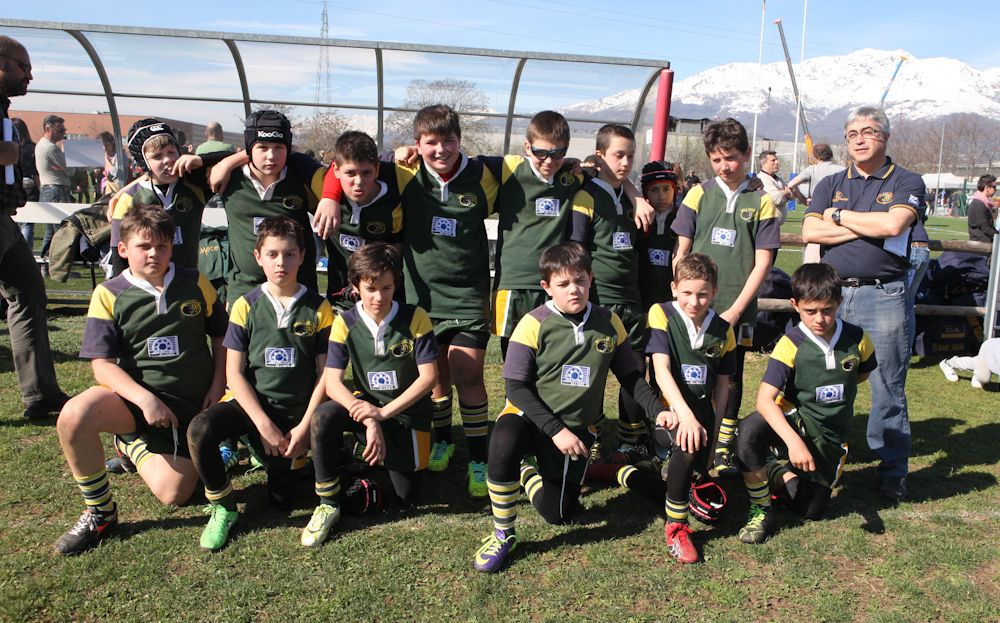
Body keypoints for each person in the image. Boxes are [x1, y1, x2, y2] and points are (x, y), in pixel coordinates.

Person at [323, 105, 499, 497]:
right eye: (431, 142)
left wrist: (577, 166)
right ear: (417, 144)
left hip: (468, 294)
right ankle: (442, 440)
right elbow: (347, 165)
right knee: (437, 376)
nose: (441, 149)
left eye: (448, 141)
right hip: (422, 296)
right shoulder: (405, 172)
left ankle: (479, 459)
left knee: (467, 373)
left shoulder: (484, 174)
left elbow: (531, 172)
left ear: (460, 141)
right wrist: (331, 196)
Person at [473, 242, 668, 573]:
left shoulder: (610, 323)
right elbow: (515, 388)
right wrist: (555, 431)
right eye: (563, 283)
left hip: (577, 430)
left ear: (591, 279)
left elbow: (631, 378)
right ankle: (504, 533)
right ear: (546, 287)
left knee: (558, 514)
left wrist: (657, 410)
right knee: (503, 439)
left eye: (580, 280)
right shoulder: (532, 323)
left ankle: (527, 472)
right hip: (531, 419)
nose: (573, 289)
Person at [53, 203, 227, 554]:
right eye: (144, 246)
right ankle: (100, 512)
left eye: (162, 246)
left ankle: (130, 444)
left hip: (189, 407)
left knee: (174, 494)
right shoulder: (108, 293)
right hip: (135, 402)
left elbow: (222, 336)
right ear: (123, 248)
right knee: (73, 415)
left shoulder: (195, 281)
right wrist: (146, 400)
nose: (154, 254)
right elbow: (102, 365)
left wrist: (217, 384)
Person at [187, 216, 333, 551]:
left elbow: (326, 374)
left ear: (303, 256)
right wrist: (263, 425)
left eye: (290, 254)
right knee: (200, 429)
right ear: (258, 257)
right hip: (254, 409)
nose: (281, 262)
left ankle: (281, 456)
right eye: (272, 254)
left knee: (283, 502)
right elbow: (234, 374)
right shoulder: (245, 305)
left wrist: (303, 427)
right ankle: (223, 507)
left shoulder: (319, 308)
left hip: (296, 414)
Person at [802, 105, 925, 501]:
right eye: (852, 133)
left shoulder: (907, 180)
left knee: (887, 385)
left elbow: (893, 225)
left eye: (869, 131)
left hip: (884, 295)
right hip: (833, 297)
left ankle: (892, 471)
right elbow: (809, 230)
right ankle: (819, 462)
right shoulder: (832, 181)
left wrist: (837, 217)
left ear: (884, 136)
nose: (859, 139)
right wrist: (864, 223)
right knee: (821, 380)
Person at [304, 242, 438, 546]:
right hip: (366, 409)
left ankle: (357, 459)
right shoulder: (344, 322)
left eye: (387, 288)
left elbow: (429, 378)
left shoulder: (415, 317)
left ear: (396, 284)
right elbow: (332, 382)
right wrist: (369, 417)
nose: (379, 297)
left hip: (408, 415)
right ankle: (328, 501)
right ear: (355, 287)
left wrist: (383, 414)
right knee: (323, 416)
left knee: (406, 496)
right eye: (371, 289)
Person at [734, 263, 876, 543]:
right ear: (795, 305)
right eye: (810, 311)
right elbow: (764, 399)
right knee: (748, 432)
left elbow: (862, 374)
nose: (820, 319)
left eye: (827, 310)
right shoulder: (791, 343)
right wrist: (794, 442)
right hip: (795, 417)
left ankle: (772, 468)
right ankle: (760, 510)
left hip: (830, 435)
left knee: (810, 511)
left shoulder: (858, 339)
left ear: (839, 302)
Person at [672, 118, 781, 475]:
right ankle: (683, 435)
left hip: (737, 310)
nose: (724, 166)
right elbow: (681, 251)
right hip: (695, 307)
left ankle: (722, 444)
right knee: (688, 370)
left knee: (731, 376)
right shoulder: (698, 194)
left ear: (746, 154)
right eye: (717, 159)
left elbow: (763, 262)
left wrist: (734, 311)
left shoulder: (761, 201)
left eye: (731, 157)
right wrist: (682, 297)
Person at [643, 253, 735, 562]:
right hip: (667, 412)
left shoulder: (723, 329)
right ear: (674, 288)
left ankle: (626, 474)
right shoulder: (661, 313)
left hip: (702, 417)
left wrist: (716, 436)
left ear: (715, 291)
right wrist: (685, 417)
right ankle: (676, 528)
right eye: (687, 292)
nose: (694, 301)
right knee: (687, 443)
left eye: (703, 294)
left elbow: (723, 386)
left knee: (688, 474)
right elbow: (661, 371)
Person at [569, 124, 651, 453]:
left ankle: (631, 440)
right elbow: (577, 249)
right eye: (619, 155)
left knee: (636, 369)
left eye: (631, 156)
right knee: (594, 370)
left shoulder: (632, 197)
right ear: (600, 156)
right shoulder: (586, 195)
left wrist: (637, 195)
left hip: (631, 298)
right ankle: (592, 437)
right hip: (600, 299)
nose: (626, 162)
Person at [0, 35, 69, 420]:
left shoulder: (3, 109)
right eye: (23, 67)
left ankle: (41, 396)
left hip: (5, 221)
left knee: (28, 293)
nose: (30, 75)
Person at [209, 110, 336, 304]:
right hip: (244, 294)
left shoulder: (301, 177)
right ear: (249, 148)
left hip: (298, 295)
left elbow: (340, 174)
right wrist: (220, 162)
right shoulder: (230, 178)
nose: (271, 156)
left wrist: (329, 198)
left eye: (279, 147)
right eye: (262, 147)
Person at [109, 119, 232, 275]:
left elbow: (237, 156)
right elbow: (118, 255)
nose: (167, 159)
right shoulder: (129, 199)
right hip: (145, 284)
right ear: (143, 162)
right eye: (157, 156)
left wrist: (200, 159)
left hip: (187, 281)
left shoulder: (195, 186)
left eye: (171, 152)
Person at [315, 130, 402, 309]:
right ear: (336, 170)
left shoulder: (394, 203)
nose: (358, 181)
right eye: (350, 173)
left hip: (381, 303)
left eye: (366, 172)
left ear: (377, 169)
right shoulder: (320, 189)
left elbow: (398, 250)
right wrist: (329, 197)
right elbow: (295, 163)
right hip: (339, 302)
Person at [636, 160, 680, 309]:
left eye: (666, 189)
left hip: (672, 301)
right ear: (645, 193)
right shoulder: (638, 219)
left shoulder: (684, 219)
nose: (661, 196)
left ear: (675, 190)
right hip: (641, 300)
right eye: (654, 190)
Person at [34, 114, 72, 260]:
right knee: (61, 231)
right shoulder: (51, 148)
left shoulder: (41, 144)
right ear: (48, 129)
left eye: (64, 130)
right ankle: (57, 263)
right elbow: (70, 170)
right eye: (60, 130)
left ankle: (45, 262)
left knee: (51, 231)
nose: (63, 133)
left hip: (47, 190)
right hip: (57, 191)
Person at [11, 117, 39, 245]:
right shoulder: (32, 148)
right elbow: (35, 171)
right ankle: (26, 248)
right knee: (28, 223)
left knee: (12, 220)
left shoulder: (13, 148)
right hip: (30, 184)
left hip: (13, 183)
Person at [756, 150, 791, 224]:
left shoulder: (778, 179)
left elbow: (792, 196)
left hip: (774, 225)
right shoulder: (762, 179)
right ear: (764, 164)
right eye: (773, 160)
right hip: (766, 225)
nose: (777, 162)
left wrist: (783, 193)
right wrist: (785, 193)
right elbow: (777, 199)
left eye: (777, 160)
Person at [967, 174, 997, 244]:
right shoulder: (978, 204)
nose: (995, 190)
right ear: (987, 188)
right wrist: (997, 236)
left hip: (985, 242)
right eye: (994, 187)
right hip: (981, 245)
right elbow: (985, 228)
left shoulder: (983, 203)